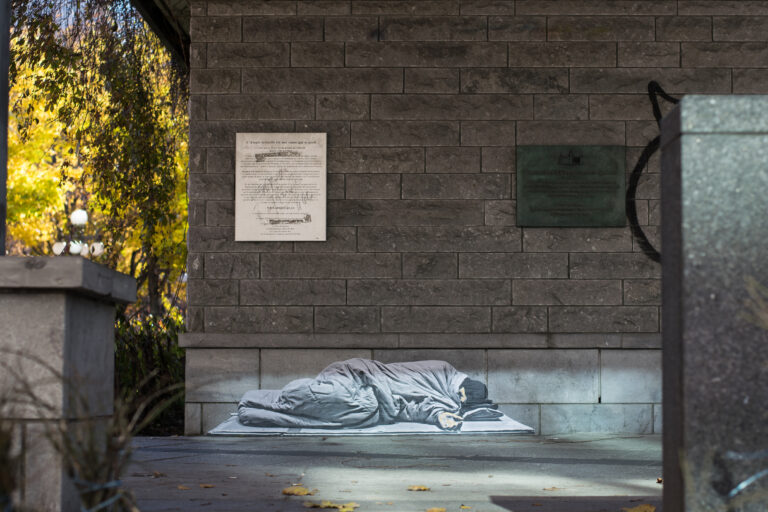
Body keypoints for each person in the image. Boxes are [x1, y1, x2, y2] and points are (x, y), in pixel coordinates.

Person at [237, 358, 497, 431]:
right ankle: (260, 400)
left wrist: (439, 416)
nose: (459, 404)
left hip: (373, 405)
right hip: (358, 379)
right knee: (328, 399)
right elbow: (394, 380)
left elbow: (410, 405)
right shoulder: (440, 371)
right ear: (462, 391)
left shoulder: (444, 397)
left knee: (340, 414)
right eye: (462, 400)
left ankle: (256, 409)